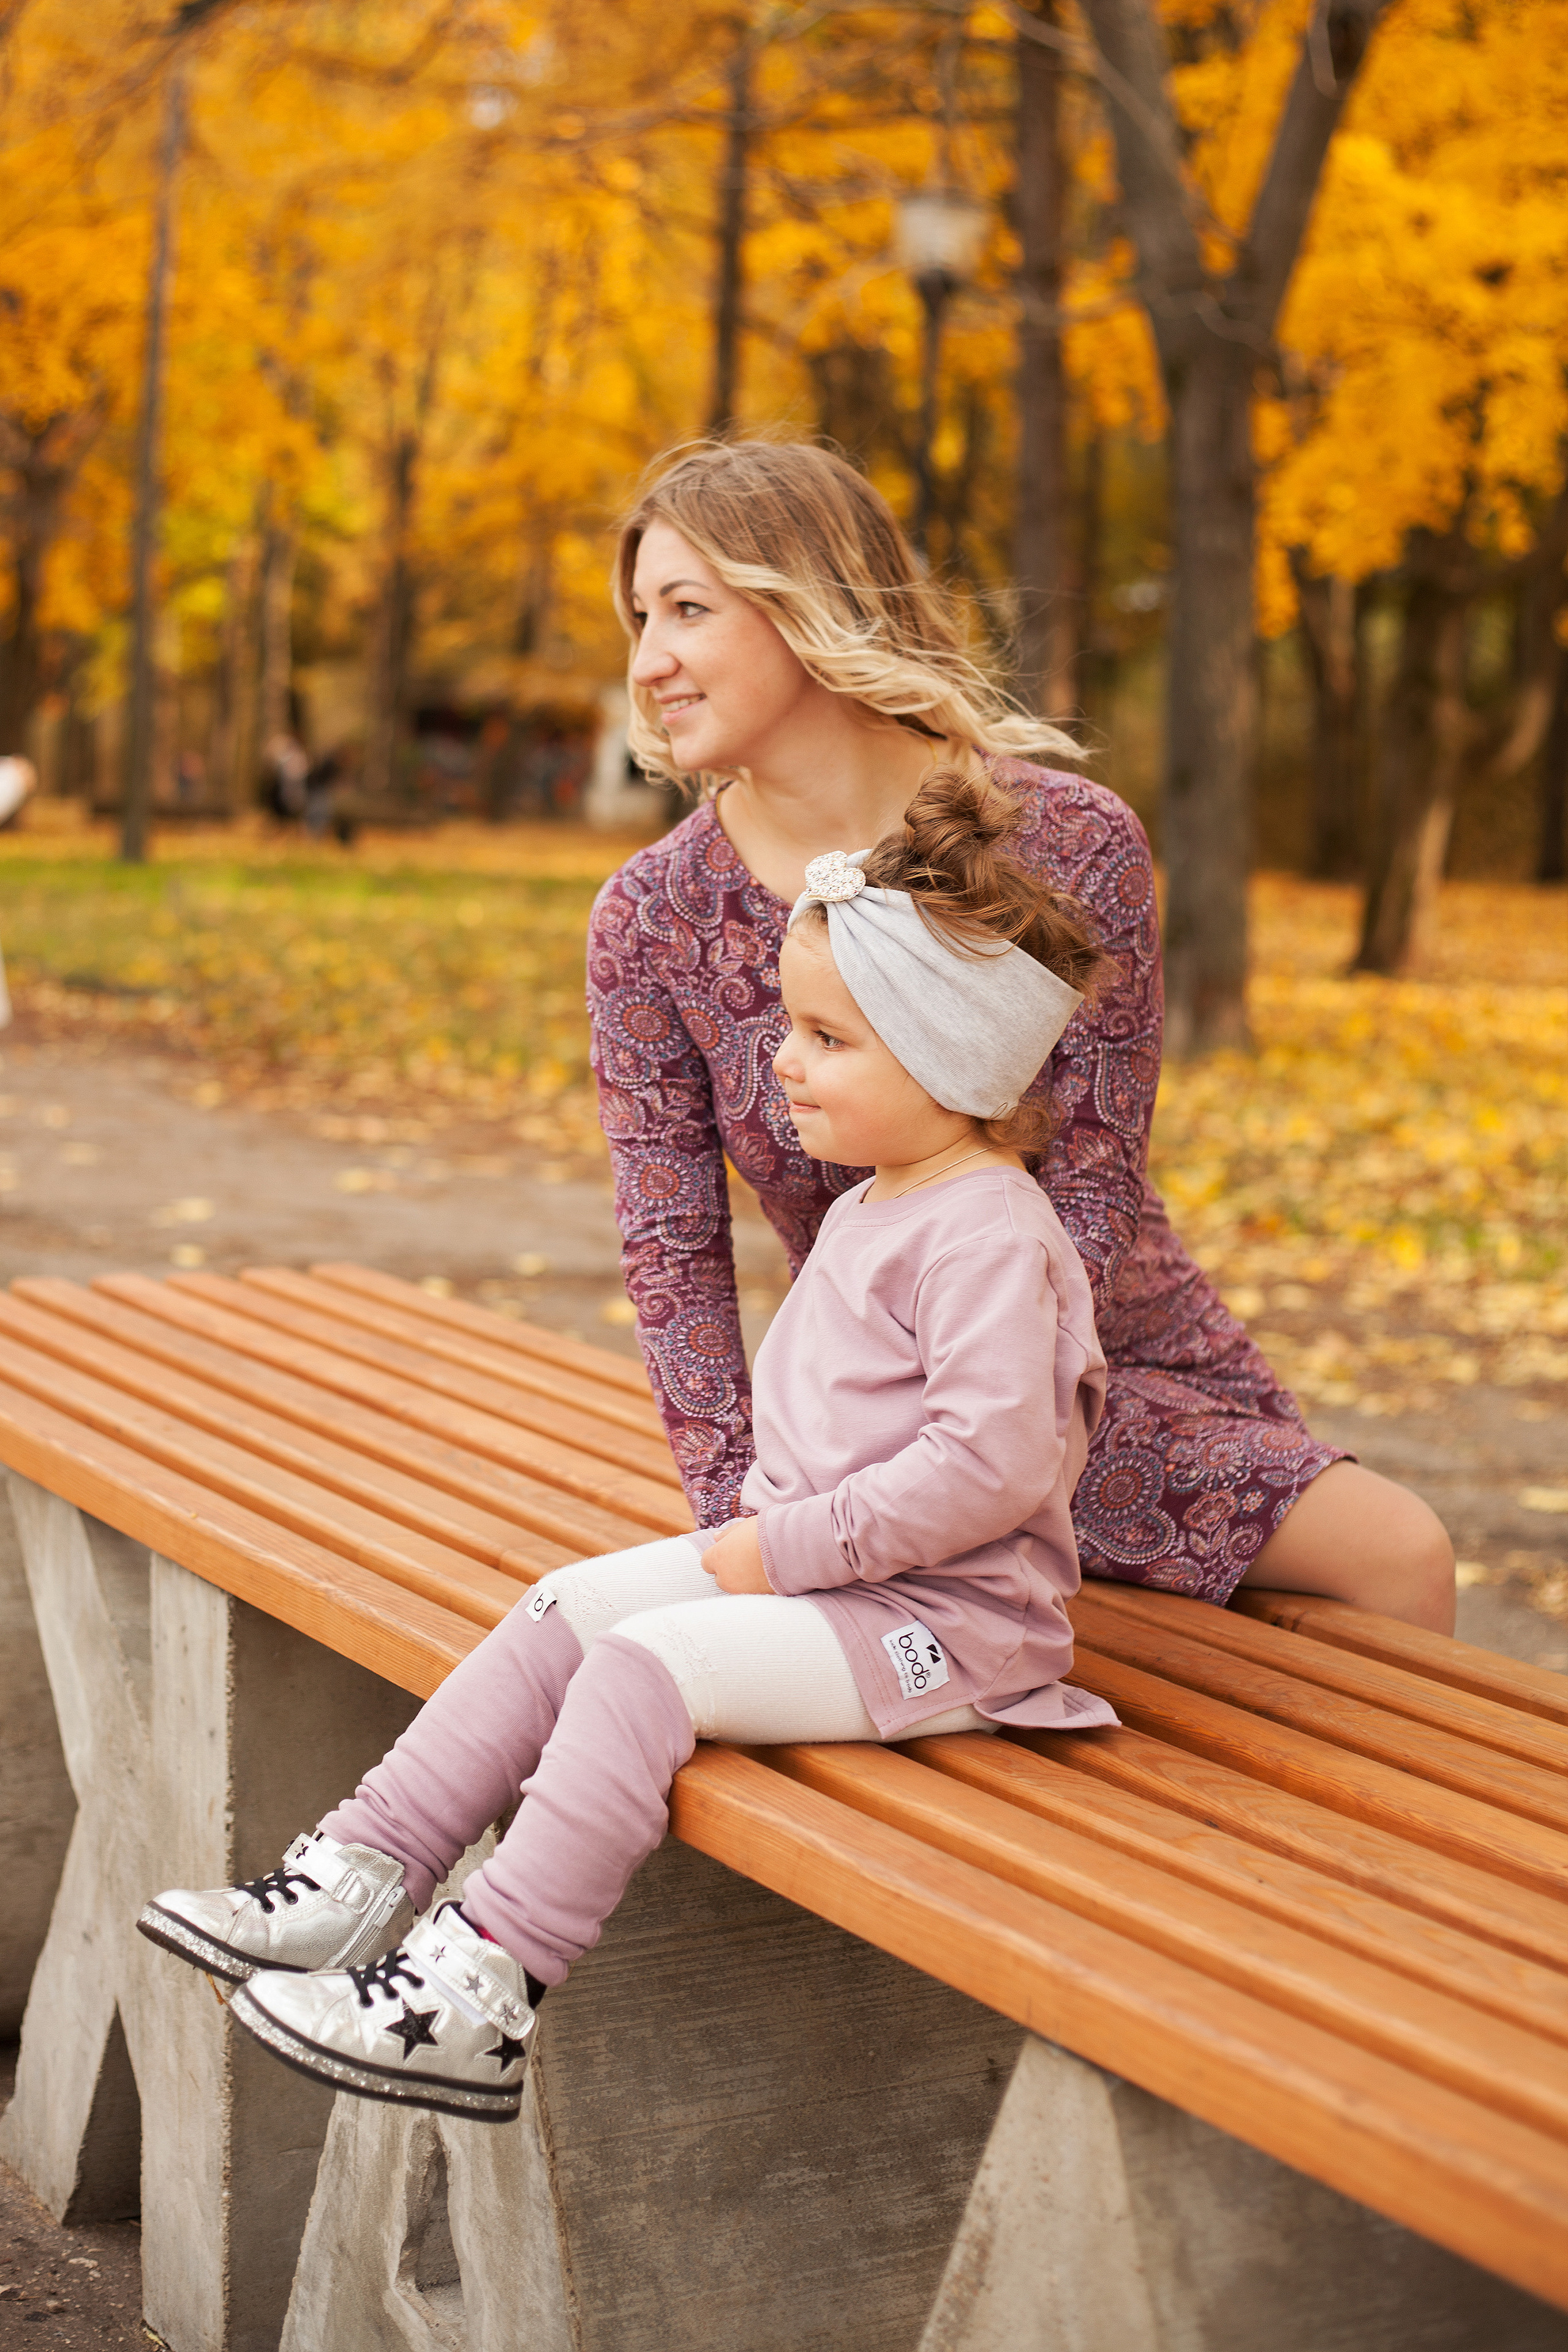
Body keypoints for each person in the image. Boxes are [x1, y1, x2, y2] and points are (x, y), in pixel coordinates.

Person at [137, 780, 1120, 2119]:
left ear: (952, 1063)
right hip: (829, 1587)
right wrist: (769, 1552)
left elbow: (988, 1471)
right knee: (564, 1606)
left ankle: (479, 1992)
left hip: (946, 1635)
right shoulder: (892, 1201)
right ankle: (360, 1872)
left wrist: (771, 1550)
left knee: (643, 1665)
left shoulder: (991, 1236)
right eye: (794, 1022)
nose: (782, 1056)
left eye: (830, 1037)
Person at [589, 440, 1455, 1632]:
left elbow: (1093, 1190)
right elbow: (671, 1255)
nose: (649, 662)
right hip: (878, 1394)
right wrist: (748, 1532)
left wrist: (1019, 1417)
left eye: (685, 609)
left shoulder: (1065, 841)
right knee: (1382, 1555)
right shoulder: (651, 917)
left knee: (1378, 1574)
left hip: (1098, 1350)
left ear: (812, 604)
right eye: (639, 618)